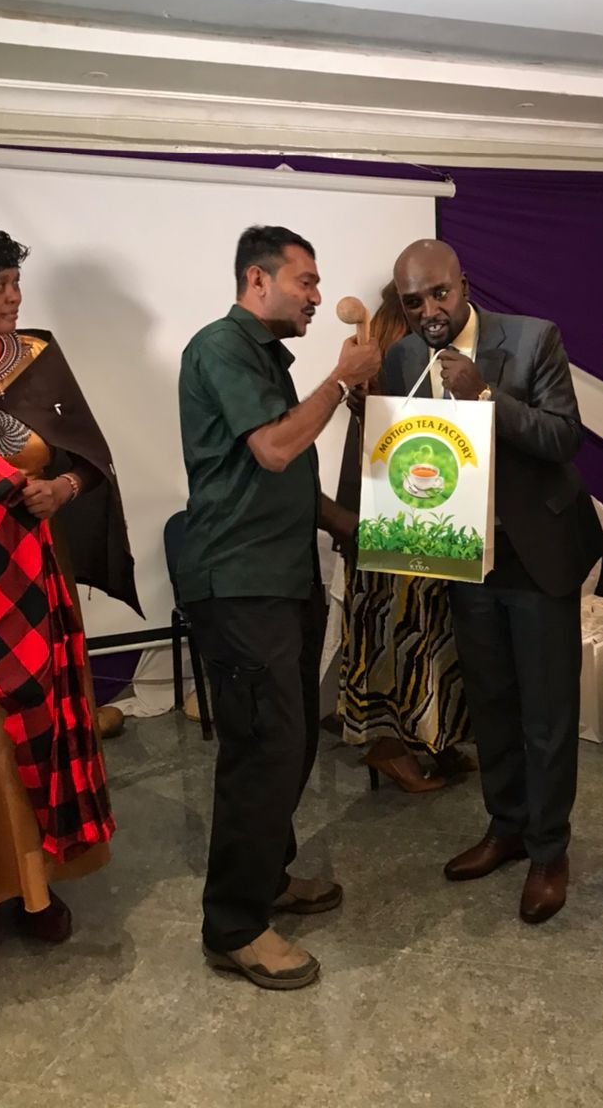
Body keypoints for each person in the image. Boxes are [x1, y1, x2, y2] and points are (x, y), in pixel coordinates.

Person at [0, 215, 135, 966]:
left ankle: (38, 888)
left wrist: (61, 489)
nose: (14, 296)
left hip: (33, 576)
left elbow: (90, 458)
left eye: (16, 281)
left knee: (40, 731)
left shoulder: (37, 357)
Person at [178, 224, 380, 991]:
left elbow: (279, 478)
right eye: (306, 281)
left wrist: (350, 526)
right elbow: (274, 448)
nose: (318, 296)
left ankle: (266, 877)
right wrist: (340, 379)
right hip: (239, 583)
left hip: (283, 577)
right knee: (263, 747)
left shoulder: (263, 358)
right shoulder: (220, 346)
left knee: (290, 745)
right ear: (257, 281)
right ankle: (234, 926)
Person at [384, 239, 603, 924]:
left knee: (547, 713)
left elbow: (563, 437)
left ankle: (549, 851)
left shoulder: (533, 340)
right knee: (493, 705)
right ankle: (506, 827)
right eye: (413, 302)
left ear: (464, 285)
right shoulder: (401, 358)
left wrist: (484, 396)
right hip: (461, 556)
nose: (429, 310)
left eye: (439, 294)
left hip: (536, 553)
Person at [335, 282, 471, 793]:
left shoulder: (397, 344)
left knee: (419, 634)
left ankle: (428, 739)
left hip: (409, 515)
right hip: (390, 515)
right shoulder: (395, 350)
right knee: (392, 636)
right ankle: (390, 748)